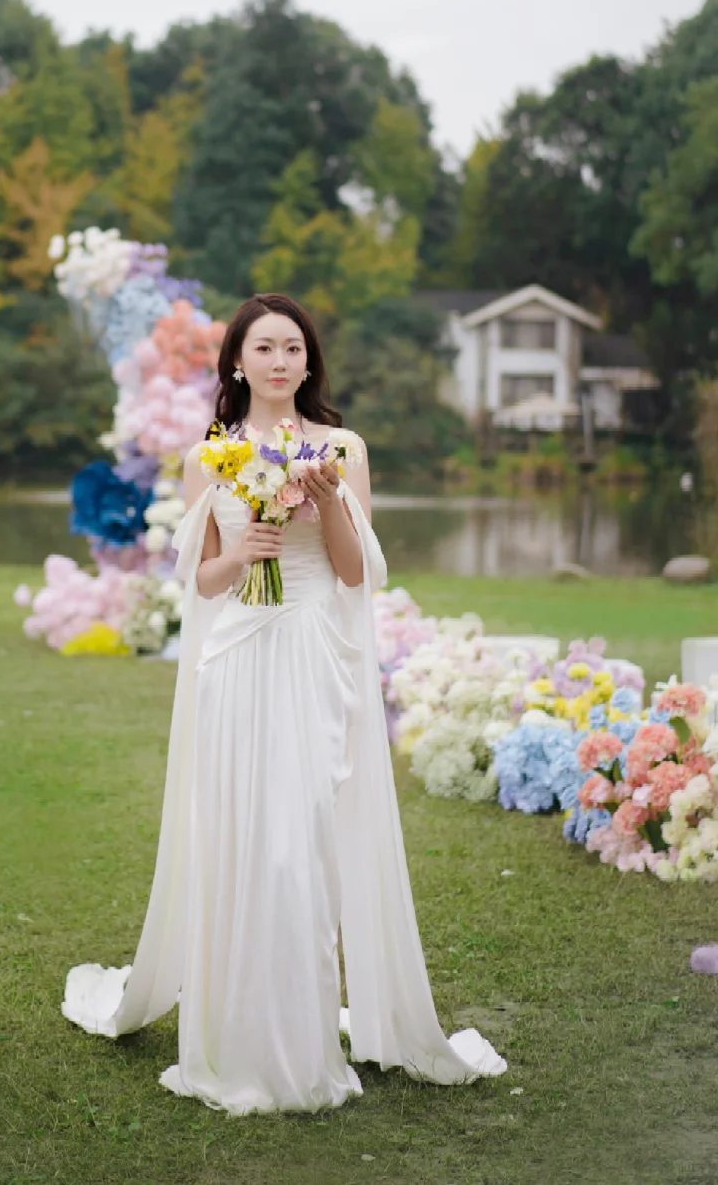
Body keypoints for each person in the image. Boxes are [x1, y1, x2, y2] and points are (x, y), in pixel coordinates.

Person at [62, 292, 506, 1114]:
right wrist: (247, 550)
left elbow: (353, 573)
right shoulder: (212, 457)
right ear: (237, 362)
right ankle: (235, 1034)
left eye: (293, 348)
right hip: (236, 660)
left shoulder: (343, 447)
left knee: (298, 842)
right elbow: (199, 580)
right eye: (263, 347)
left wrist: (326, 496)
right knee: (240, 837)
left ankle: (298, 1043)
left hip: (309, 655)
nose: (279, 361)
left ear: (309, 362)